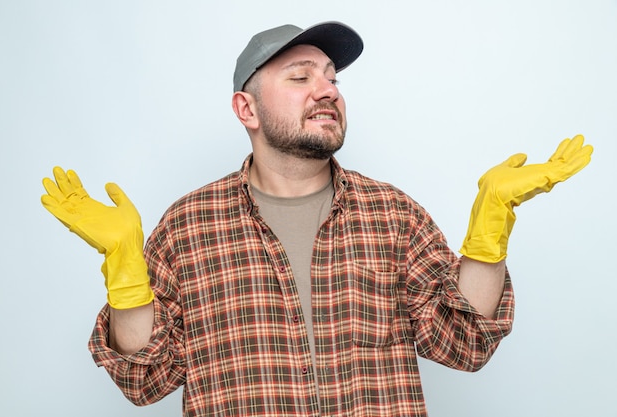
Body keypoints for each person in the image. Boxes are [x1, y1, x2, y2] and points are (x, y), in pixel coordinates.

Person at [40, 21, 593, 417]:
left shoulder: (393, 215)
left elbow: (465, 341)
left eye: (332, 78)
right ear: (246, 109)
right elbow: (146, 379)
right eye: (300, 78)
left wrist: (489, 228)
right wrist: (125, 273)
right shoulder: (187, 226)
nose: (328, 90)